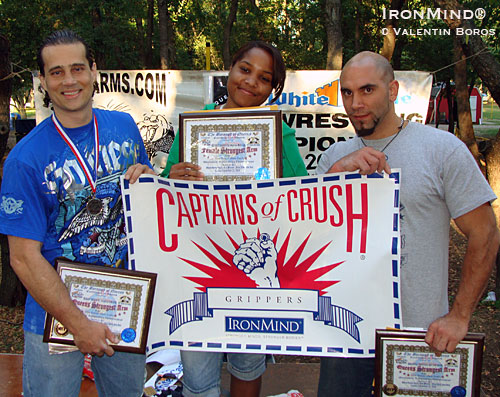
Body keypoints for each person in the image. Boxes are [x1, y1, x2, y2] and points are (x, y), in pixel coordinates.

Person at [316, 51, 499, 396]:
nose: (356, 103)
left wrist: (459, 316)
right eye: (347, 92)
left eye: (368, 90)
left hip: (419, 335)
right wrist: (336, 174)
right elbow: (307, 239)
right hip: (344, 333)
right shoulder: (332, 158)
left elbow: (485, 233)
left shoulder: (441, 149)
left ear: (394, 89)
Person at [0, 30, 154, 397]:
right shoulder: (25, 159)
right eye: (56, 72)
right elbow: (23, 258)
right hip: (55, 314)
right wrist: (78, 323)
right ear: (42, 81)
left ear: (94, 71)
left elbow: (143, 206)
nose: (69, 80)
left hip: (123, 303)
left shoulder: (124, 127)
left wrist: (148, 180)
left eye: (77, 68)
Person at [161, 41, 308, 397]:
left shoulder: (280, 133)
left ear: (273, 88)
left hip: (252, 269)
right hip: (198, 271)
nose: (251, 82)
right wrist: (171, 177)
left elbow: (305, 195)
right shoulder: (194, 127)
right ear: (230, 69)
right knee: (197, 374)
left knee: (247, 364)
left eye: (264, 78)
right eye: (245, 69)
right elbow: (162, 195)